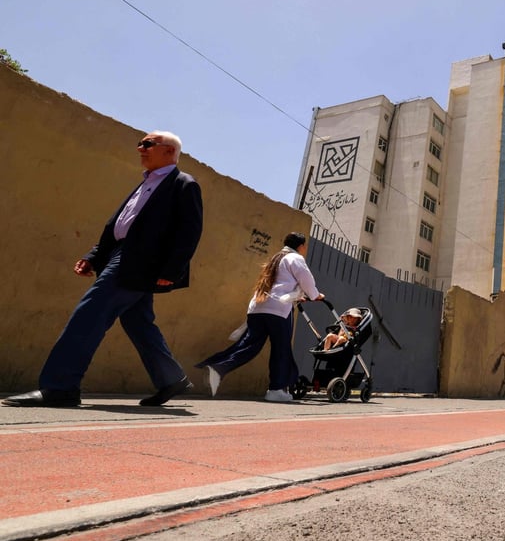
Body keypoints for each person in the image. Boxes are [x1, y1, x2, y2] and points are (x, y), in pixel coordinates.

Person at [4, 131, 203, 408]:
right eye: (139, 143)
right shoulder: (146, 184)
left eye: (147, 144)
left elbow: (189, 232)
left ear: (169, 151)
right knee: (138, 322)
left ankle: (61, 386)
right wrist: (94, 257)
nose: (140, 148)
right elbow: (120, 226)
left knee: (89, 314)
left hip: (140, 262)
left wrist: (172, 270)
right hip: (121, 255)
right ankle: (171, 379)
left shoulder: (183, 184)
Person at [196, 232, 323, 402]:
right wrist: (315, 295)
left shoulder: (275, 258)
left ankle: (218, 367)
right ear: (301, 246)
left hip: (258, 307)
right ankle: (276, 390)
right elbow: (306, 280)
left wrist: (297, 296)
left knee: (249, 345)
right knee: (281, 349)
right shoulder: (295, 258)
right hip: (278, 310)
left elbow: (278, 285)